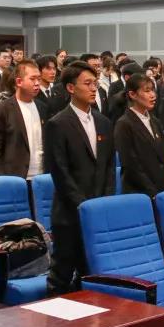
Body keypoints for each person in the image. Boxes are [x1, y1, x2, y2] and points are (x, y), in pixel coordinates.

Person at [44, 62, 114, 294]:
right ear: (71, 88)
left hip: (98, 209)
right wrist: (83, 206)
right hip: (69, 213)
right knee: (62, 274)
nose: (94, 88)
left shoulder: (103, 122)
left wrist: (103, 203)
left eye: (95, 83)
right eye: (87, 83)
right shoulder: (58, 124)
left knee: (92, 273)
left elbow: (108, 167)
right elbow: (60, 172)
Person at [0, 59, 47, 180]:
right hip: (14, 177)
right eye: (32, 79)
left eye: (39, 79)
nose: (37, 83)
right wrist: (2, 178)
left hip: (41, 176)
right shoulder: (3, 108)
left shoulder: (42, 107)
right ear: (19, 82)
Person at [114, 74, 164, 198]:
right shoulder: (124, 124)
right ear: (132, 94)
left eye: (153, 90)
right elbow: (131, 166)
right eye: (147, 91)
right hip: (139, 194)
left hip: (161, 191)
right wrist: (153, 193)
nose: (153, 95)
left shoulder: (155, 121)